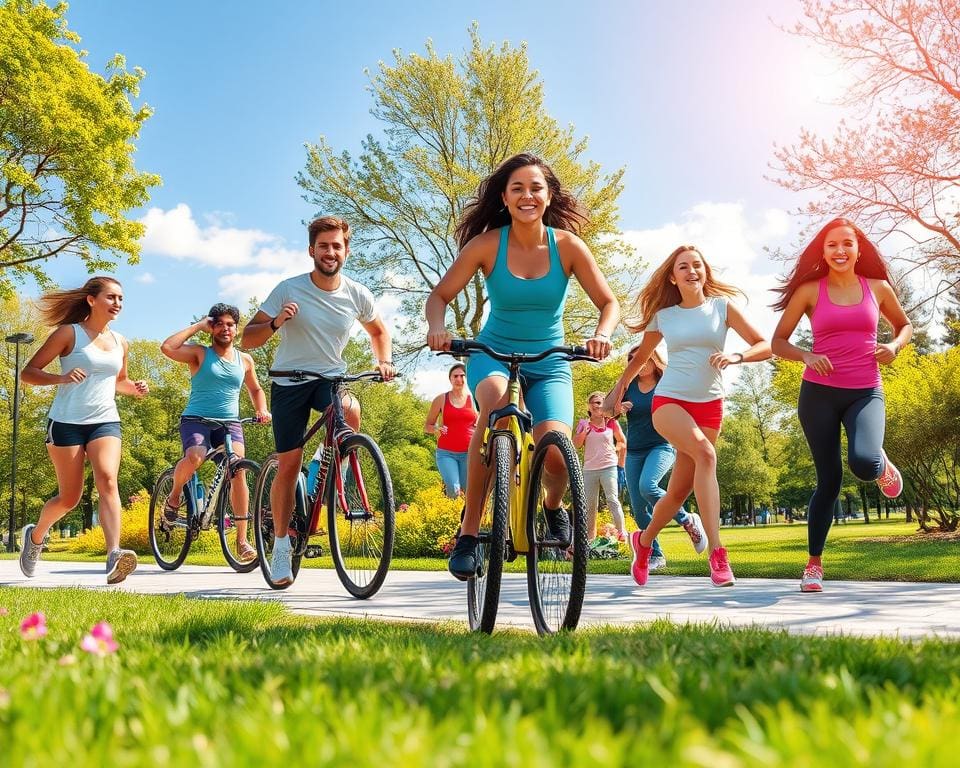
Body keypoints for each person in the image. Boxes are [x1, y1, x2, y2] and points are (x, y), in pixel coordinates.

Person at [426, 152, 619, 580]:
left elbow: (609, 302)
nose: (527, 195)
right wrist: (438, 328)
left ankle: (552, 508)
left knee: (555, 453)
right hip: (492, 352)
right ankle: (470, 533)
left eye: (536, 188)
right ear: (505, 197)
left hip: (550, 360)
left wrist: (603, 333)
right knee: (495, 408)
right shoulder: (486, 244)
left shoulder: (568, 247)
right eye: (517, 188)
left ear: (549, 196)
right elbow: (439, 297)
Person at [604, 245, 771, 587]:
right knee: (707, 455)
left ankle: (644, 541)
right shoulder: (665, 316)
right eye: (684, 266)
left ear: (705, 271)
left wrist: (736, 356)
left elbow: (763, 344)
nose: (692, 270)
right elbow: (638, 361)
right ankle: (718, 554)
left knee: (678, 492)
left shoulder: (722, 308)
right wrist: (617, 391)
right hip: (669, 402)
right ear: (673, 276)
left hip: (710, 405)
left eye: (698, 265)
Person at [242, 215, 395, 586]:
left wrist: (384, 360)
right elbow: (247, 338)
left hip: (330, 379)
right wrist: (276, 322)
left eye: (337, 246)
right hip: (289, 382)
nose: (330, 252)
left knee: (350, 409)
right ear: (312, 250)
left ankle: (332, 469)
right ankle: (281, 545)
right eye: (323, 246)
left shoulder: (357, 293)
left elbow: (379, 331)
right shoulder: (288, 289)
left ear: (346, 251)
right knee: (289, 464)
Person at [771, 218, 912, 593]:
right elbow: (778, 342)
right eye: (832, 245)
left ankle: (879, 461)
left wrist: (894, 346)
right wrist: (806, 355)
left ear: (858, 249)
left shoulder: (878, 288)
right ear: (824, 251)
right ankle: (814, 564)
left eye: (847, 244)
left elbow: (904, 326)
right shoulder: (809, 291)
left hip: (865, 391)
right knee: (829, 481)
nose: (840, 251)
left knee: (864, 463)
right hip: (818, 394)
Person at [19, 276, 149, 584]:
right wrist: (61, 379)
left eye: (121, 298)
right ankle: (35, 537)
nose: (117, 303)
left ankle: (114, 555)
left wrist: (136, 388)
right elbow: (28, 373)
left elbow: (118, 382)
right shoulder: (69, 333)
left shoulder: (121, 342)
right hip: (66, 422)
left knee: (107, 480)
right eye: (111, 297)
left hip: (105, 420)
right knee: (69, 498)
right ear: (91, 300)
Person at [159, 303, 271, 563]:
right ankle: (174, 496)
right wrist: (198, 325)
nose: (225, 328)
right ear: (212, 327)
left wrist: (262, 409)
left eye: (230, 324)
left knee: (238, 470)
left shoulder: (245, 360)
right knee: (196, 456)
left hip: (230, 423)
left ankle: (242, 541)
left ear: (236, 327)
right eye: (219, 323)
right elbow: (167, 347)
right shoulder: (200, 353)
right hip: (196, 419)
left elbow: (255, 390)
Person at [614, 344, 707, 572]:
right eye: (633, 360)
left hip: (661, 446)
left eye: (642, 358)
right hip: (635, 451)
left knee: (648, 486)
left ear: (653, 358)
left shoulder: (666, 382)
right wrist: (618, 407)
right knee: (638, 509)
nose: (638, 363)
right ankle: (655, 554)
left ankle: (687, 520)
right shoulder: (627, 386)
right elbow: (607, 411)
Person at [573, 392, 627, 542]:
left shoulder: (611, 423)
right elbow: (575, 445)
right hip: (589, 470)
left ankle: (622, 533)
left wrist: (615, 449)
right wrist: (583, 433)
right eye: (596, 402)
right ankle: (590, 538)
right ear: (589, 406)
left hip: (609, 467)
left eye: (602, 402)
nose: (599, 405)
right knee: (590, 505)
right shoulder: (584, 424)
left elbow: (622, 442)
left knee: (612, 499)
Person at [423, 363, 478, 498]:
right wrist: (436, 429)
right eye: (455, 376)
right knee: (454, 489)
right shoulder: (441, 399)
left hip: (469, 454)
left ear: (467, 378)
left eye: (462, 376)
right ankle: (453, 516)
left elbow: (484, 423)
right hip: (446, 454)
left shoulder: (475, 400)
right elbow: (427, 427)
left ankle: (464, 519)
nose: (459, 379)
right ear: (450, 379)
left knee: (468, 493)